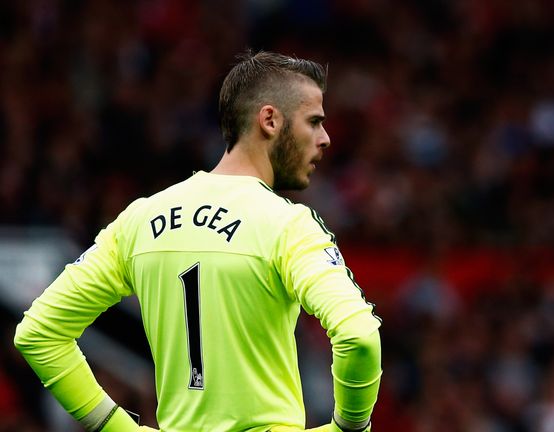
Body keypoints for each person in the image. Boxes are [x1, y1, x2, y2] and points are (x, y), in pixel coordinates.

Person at [14, 50, 382, 432]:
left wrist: (116, 428)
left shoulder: (140, 219)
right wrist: (350, 427)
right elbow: (359, 336)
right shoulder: (287, 225)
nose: (325, 139)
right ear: (270, 120)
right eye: (315, 122)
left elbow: (39, 332)